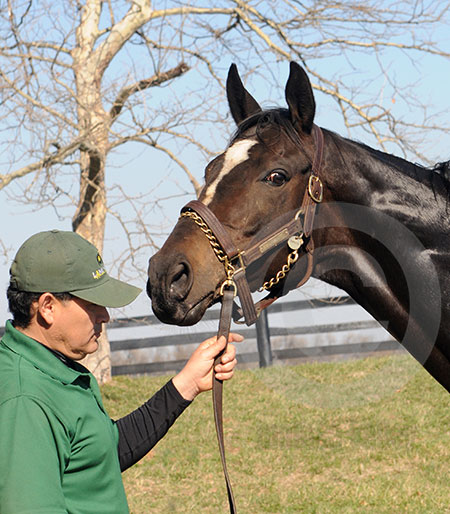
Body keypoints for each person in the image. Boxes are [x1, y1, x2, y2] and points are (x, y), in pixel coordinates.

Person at [0, 230, 242, 514]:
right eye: (92, 305)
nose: (105, 315)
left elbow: (102, 451)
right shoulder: (25, 399)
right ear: (48, 307)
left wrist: (187, 384)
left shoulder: (52, 369)